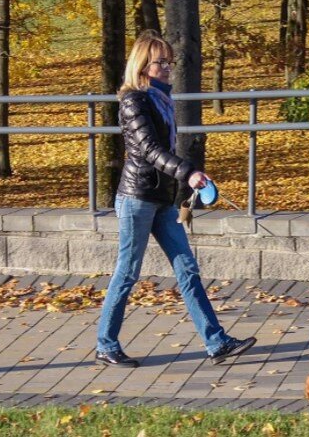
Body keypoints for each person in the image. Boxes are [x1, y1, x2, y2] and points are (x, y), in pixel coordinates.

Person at [95, 30, 256, 368]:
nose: (168, 68)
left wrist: (183, 180)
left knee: (187, 270)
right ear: (142, 66)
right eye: (160, 63)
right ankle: (106, 345)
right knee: (127, 272)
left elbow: (162, 151)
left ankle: (217, 343)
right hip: (137, 198)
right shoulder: (133, 101)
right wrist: (189, 172)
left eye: (170, 62)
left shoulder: (161, 99)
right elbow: (150, 150)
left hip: (163, 199)